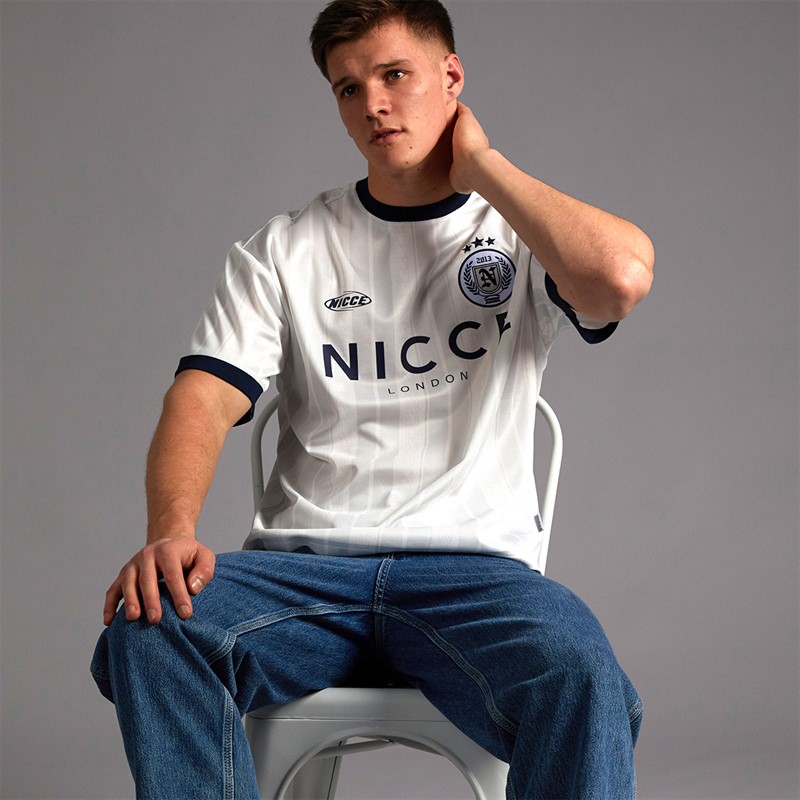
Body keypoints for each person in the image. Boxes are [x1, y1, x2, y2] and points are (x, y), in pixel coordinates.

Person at [91, 1, 654, 797]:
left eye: (396, 75)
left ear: (451, 76)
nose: (374, 105)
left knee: (578, 670)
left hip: (474, 581)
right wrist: (170, 532)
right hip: (301, 578)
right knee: (151, 627)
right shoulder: (286, 247)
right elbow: (202, 397)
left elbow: (619, 278)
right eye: (349, 88)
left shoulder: (519, 234)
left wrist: (484, 167)